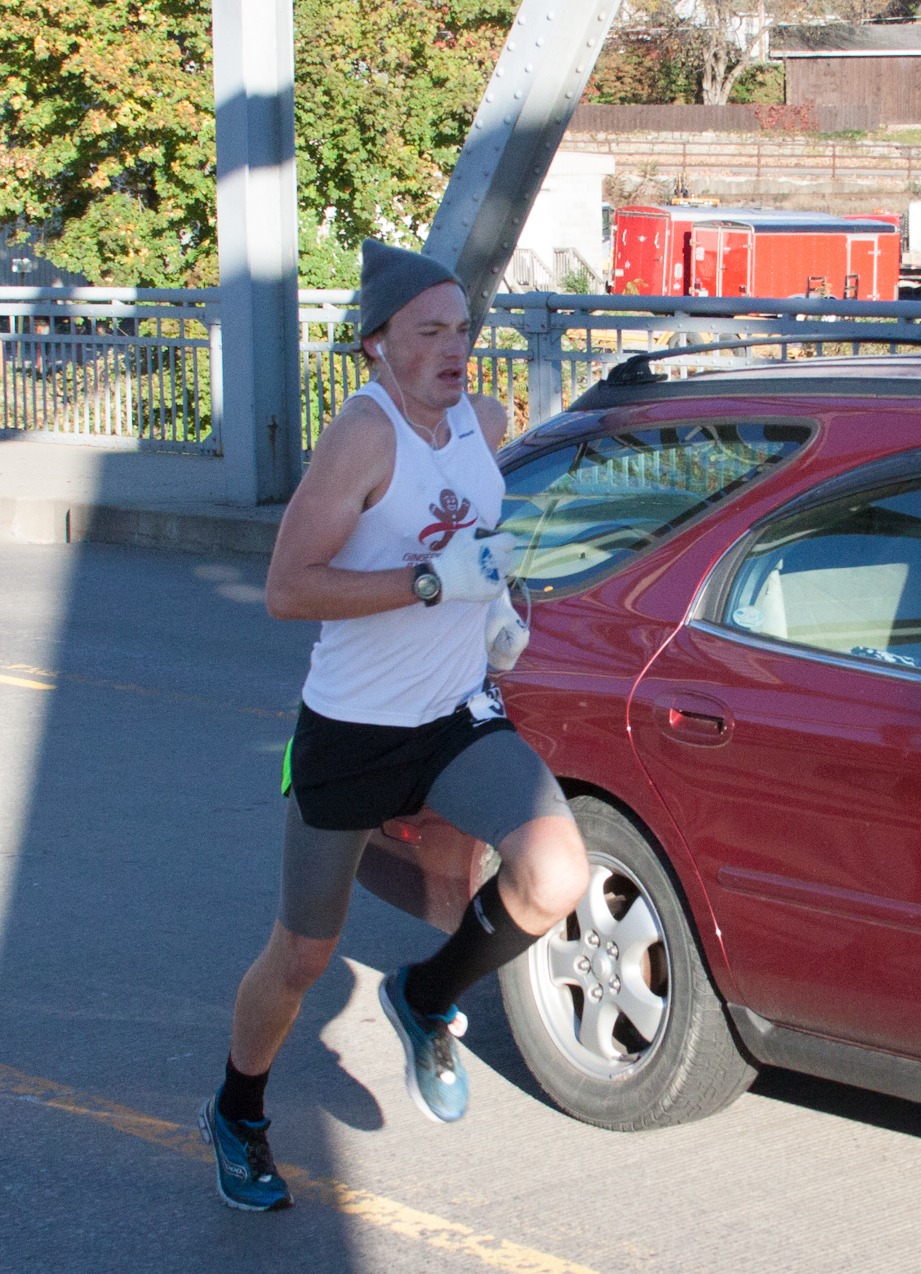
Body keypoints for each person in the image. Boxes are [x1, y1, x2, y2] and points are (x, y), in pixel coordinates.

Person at [198, 240, 588, 1212]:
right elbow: (288, 588)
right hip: (353, 730)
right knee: (302, 953)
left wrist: (499, 600)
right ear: (377, 346)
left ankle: (424, 995)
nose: (455, 348)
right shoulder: (363, 440)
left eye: (462, 328)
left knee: (555, 871)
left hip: (456, 715)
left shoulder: (484, 418)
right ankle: (238, 1110)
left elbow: (478, 535)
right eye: (429, 331)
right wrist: (428, 582)